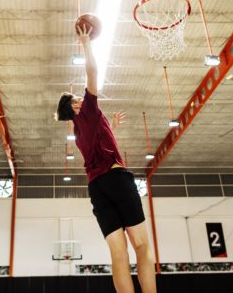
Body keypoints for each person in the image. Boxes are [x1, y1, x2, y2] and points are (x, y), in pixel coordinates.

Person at [56, 25, 157, 293]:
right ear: (75, 105)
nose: (81, 96)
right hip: (116, 180)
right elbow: (92, 71)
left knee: (118, 256)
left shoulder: (77, 132)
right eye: (77, 97)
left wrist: (110, 125)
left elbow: (99, 139)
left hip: (97, 188)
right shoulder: (86, 109)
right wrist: (86, 43)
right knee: (142, 246)